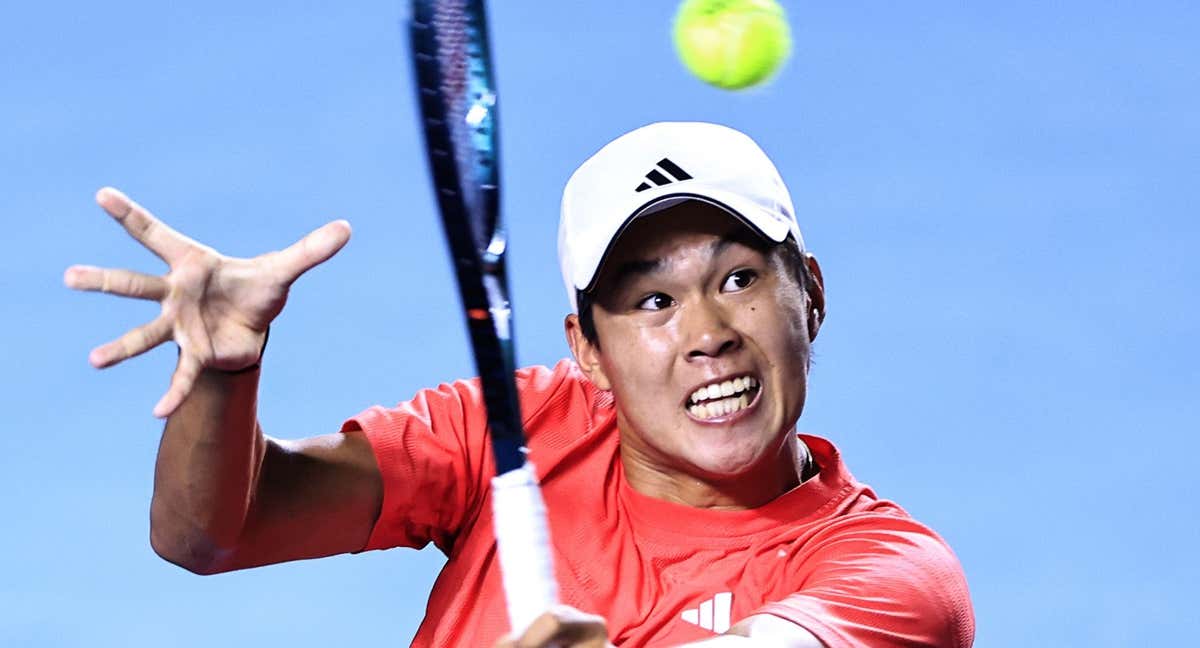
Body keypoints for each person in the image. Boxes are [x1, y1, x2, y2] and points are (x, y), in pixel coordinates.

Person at [66, 122, 975, 647]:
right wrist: (225, 376)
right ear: (589, 350)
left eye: (738, 279)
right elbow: (210, 535)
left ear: (810, 293)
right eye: (652, 301)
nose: (707, 336)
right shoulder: (515, 427)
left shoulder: (895, 577)